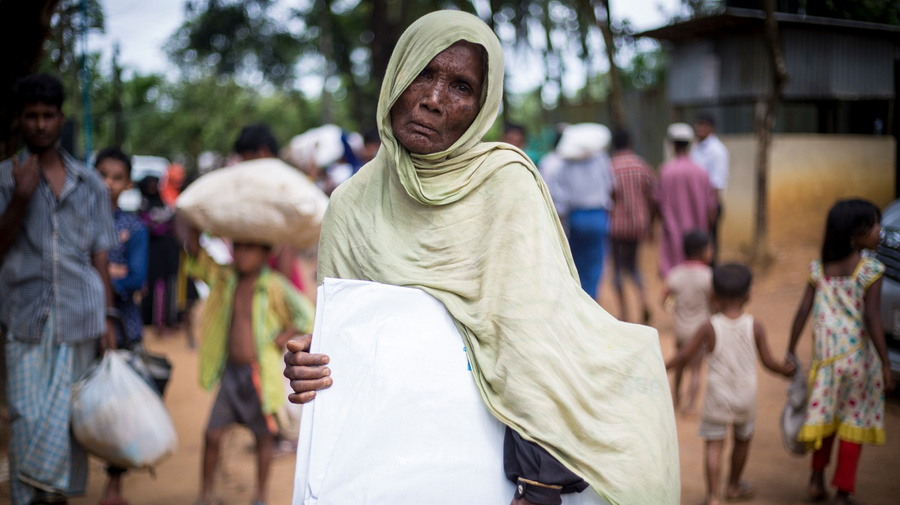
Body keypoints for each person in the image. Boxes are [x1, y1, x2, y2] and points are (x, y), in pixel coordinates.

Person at [283, 10, 677, 505]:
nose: (433, 99)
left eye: (461, 87)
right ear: (397, 75)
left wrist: (538, 484)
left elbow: (536, 343)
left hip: (500, 471)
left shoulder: (504, 184)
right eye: (422, 73)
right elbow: (350, 346)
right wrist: (313, 362)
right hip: (392, 468)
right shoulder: (350, 205)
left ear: (481, 107)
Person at [0, 73, 118, 505]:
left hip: (81, 316)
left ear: (60, 119)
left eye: (48, 115)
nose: (40, 124)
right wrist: (19, 198)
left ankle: (56, 499)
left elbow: (100, 254)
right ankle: (27, 497)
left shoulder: (89, 183)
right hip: (24, 317)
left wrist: (109, 317)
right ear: (19, 120)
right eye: (31, 116)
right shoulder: (4, 179)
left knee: (69, 417)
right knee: (26, 415)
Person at [182, 225, 315, 505]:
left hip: (259, 375)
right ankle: (205, 495)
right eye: (238, 247)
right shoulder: (225, 278)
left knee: (264, 437)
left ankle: (260, 496)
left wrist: (285, 336)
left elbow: (306, 315)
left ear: (266, 253)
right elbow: (197, 257)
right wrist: (192, 223)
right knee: (212, 434)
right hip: (230, 374)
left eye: (249, 247)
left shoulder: (274, 285)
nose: (241, 254)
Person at [786, 199, 893, 505]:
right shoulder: (870, 270)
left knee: (826, 418)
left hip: (826, 361)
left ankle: (816, 480)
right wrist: (886, 364)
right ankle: (843, 492)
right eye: (873, 225)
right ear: (854, 233)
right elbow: (873, 318)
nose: (880, 231)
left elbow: (803, 310)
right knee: (852, 424)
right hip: (859, 362)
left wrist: (790, 349)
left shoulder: (819, 269)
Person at [666, 263, 794, 505]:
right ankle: (734, 485)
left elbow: (684, 355)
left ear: (712, 296)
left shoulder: (709, 326)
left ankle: (713, 496)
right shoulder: (755, 326)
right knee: (742, 440)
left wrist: (662, 366)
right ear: (749, 295)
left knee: (714, 445)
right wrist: (784, 370)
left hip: (717, 397)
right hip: (746, 396)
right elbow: (768, 362)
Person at [94, 146, 149, 505]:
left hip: (122, 328)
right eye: (102, 175)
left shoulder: (134, 227)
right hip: (83, 326)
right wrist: (113, 272)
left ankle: (114, 486)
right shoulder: (78, 219)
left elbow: (136, 278)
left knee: (119, 409)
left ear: (127, 183)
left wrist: (97, 275)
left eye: (116, 178)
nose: (108, 184)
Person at [656, 122, 718, 278]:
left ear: (672, 145)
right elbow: (711, 209)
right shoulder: (701, 172)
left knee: (674, 280)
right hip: (697, 240)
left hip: (672, 238)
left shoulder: (665, 171)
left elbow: (658, 203)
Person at [608, 128, 656, 323]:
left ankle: (624, 312)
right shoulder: (642, 165)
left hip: (616, 227)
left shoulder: (610, 167)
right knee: (634, 266)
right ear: (630, 143)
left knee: (618, 269)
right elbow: (653, 196)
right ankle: (643, 301)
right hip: (638, 226)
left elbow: (607, 196)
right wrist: (649, 222)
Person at [663, 230, 713, 415]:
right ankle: (691, 405)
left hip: (681, 329)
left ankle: (675, 398)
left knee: (680, 364)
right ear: (702, 251)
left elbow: (665, 297)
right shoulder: (708, 275)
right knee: (696, 369)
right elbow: (714, 300)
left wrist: (672, 306)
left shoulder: (676, 273)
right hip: (699, 331)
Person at [138, 173, 180, 334]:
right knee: (154, 285)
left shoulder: (165, 203)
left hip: (168, 252)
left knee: (169, 284)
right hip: (152, 253)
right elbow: (150, 227)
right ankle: (154, 320)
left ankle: (169, 319)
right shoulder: (143, 205)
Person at [690, 114, 729, 261]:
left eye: (703, 126)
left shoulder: (717, 150)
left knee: (709, 243)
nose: (699, 129)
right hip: (696, 202)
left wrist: (711, 208)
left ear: (711, 128)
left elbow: (717, 182)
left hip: (709, 204)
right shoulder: (695, 147)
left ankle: (711, 270)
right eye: (698, 125)